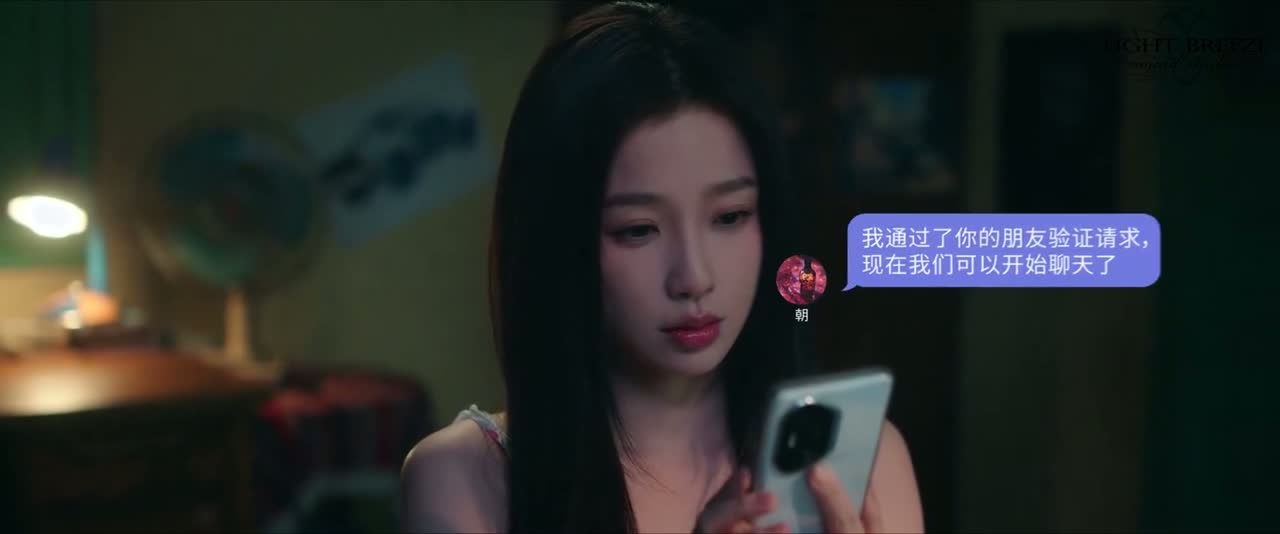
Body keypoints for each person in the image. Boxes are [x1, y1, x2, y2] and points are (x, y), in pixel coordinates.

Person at [401, 2, 923, 532]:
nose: (694, 278)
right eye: (638, 229)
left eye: (730, 216)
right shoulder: (465, 478)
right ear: (558, 239)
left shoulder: (865, 464)